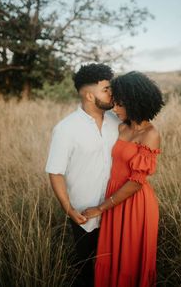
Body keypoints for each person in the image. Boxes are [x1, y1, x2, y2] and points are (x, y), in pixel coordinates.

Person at [82, 71, 164, 287]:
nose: (115, 109)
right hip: (114, 198)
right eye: (115, 103)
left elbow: (137, 182)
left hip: (135, 203)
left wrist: (101, 207)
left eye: (121, 104)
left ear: (136, 102)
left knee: (129, 261)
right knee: (110, 257)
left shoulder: (151, 134)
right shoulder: (121, 126)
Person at [45, 63, 120, 287]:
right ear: (89, 95)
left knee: (114, 267)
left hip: (115, 208)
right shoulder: (66, 129)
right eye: (106, 89)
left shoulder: (117, 122)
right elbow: (55, 172)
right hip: (84, 214)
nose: (111, 93)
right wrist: (69, 210)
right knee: (86, 270)